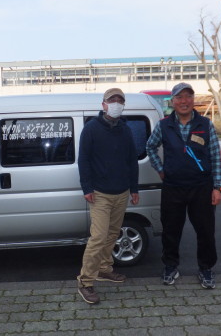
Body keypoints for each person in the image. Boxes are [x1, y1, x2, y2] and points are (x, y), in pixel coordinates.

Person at [146, 82, 221, 289]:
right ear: (172, 101)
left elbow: (215, 156)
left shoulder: (205, 125)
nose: (184, 101)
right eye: (179, 98)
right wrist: (160, 169)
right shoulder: (164, 125)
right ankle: (171, 267)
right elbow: (150, 147)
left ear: (193, 100)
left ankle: (206, 269)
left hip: (201, 187)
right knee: (171, 230)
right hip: (173, 187)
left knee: (205, 231)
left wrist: (218, 187)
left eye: (188, 96)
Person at [77, 88, 140, 304]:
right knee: (98, 237)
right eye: (112, 100)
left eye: (120, 101)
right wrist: (86, 187)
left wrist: (134, 189)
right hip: (100, 193)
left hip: (121, 191)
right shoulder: (91, 129)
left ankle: (104, 269)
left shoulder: (125, 130)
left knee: (113, 234)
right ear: (103, 104)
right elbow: (83, 159)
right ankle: (85, 282)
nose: (116, 104)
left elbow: (132, 160)